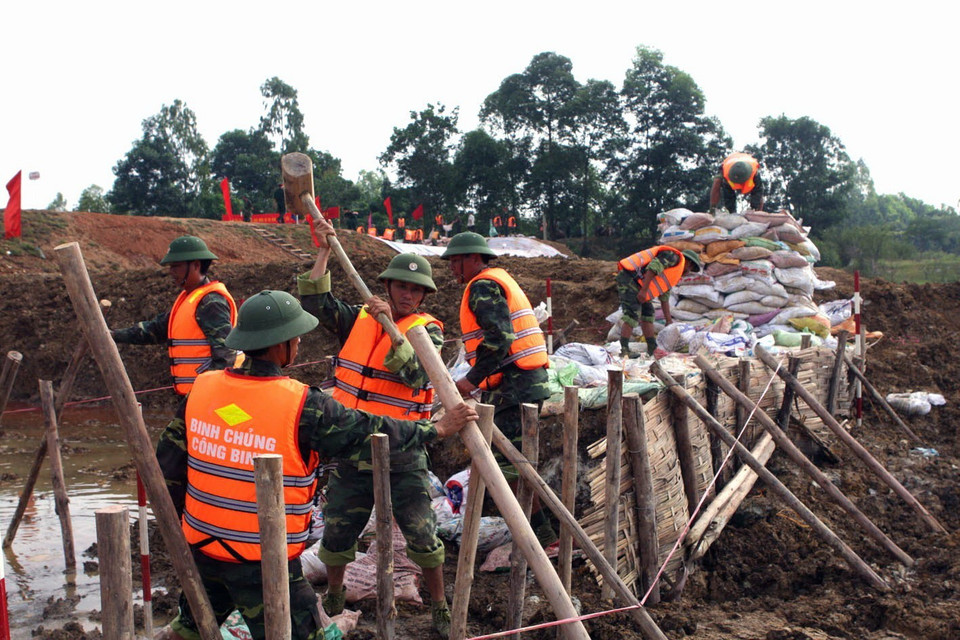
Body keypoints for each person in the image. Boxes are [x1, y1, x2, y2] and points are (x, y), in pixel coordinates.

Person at [153, 289, 477, 640]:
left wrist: (187, 531)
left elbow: (168, 467)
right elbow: (369, 429)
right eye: (295, 339)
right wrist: (435, 429)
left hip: (203, 547)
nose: (299, 344)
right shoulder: (302, 404)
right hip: (263, 560)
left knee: (192, 626)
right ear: (281, 346)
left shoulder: (202, 389)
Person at [297, 220, 453, 634]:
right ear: (387, 286)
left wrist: (394, 331)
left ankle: (439, 605)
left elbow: (418, 375)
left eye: (415, 290)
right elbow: (315, 303)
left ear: (423, 296)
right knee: (338, 530)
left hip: (404, 449)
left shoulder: (428, 331)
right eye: (401, 286)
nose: (407, 294)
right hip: (353, 447)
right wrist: (325, 250)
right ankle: (335, 593)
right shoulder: (359, 319)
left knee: (422, 533)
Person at [440, 232, 557, 547]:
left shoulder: (482, 286)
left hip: (513, 385)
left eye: (455, 261)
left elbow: (500, 337)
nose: (451, 268)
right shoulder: (499, 279)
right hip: (521, 382)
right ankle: (546, 533)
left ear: (473, 258)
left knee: (508, 467)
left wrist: (471, 379)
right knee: (516, 463)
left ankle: (544, 538)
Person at [111, 236, 238, 396]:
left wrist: (203, 394)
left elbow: (225, 356)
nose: (171, 272)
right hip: (194, 395)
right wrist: (113, 335)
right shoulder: (189, 299)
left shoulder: (211, 302)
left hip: (207, 397)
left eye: (176, 266)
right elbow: (155, 330)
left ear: (196, 265)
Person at [616, 246, 702, 357]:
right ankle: (624, 350)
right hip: (629, 278)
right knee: (632, 314)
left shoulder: (673, 272)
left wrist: (668, 320)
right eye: (690, 268)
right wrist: (644, 291)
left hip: (639, 283)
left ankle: (652, 347)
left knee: (648, 313)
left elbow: (664, 297)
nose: (688, 272)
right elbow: (652, 268)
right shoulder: (673, 257)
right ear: (688, 262)